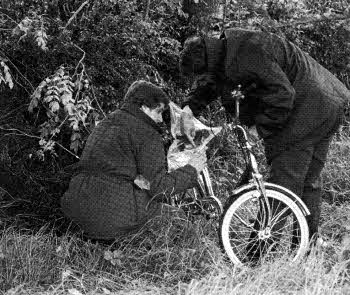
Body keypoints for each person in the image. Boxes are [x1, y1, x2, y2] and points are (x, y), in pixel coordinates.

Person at [179, 28, 350, 241]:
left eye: (200, 73)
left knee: (283, 181)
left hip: (308, 108)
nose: (202, 78)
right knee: (308, 180)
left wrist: (258, 129)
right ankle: (308, 243)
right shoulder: (227, 49)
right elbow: (213, 81)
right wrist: (188, 109)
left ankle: (258, 252)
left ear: (207, 62)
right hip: (329, 103)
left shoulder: (247, 54)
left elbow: (283, 96)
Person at [61, 80, 207, 241]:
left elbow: (111, 170)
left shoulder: (105, 123)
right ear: (143, 107)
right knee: (178, 219)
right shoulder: (147, 132)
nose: (159, 120)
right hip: (109, 220)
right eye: (158, 111)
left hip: (74, 214)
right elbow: (159, 188)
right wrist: (192, 169)